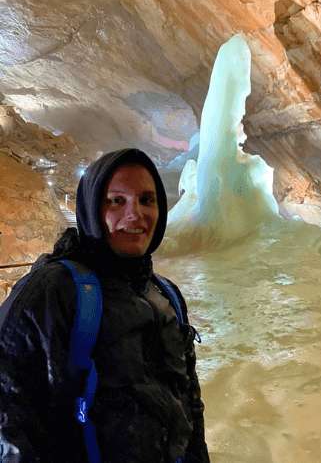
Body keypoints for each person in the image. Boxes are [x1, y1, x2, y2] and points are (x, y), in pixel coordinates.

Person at [0, 149, 209, 463]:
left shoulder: (166, 294)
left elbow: (189, 403)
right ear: (92, 207)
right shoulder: (53, 290)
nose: (135, 214)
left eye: (146, 200)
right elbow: (11, 416)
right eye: (116, 201)